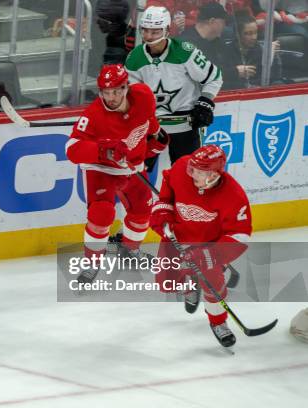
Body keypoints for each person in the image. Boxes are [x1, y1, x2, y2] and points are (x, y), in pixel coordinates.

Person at [65, 64, 169, 283]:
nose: (111, 97)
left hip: (133, 168)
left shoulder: (143, 96)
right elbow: (72, 149)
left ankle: (129, 252)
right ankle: (92, 263)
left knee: (142, 211)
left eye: (116, 91)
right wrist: (103, 150)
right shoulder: (93, 116)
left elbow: (147, 121)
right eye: (106, 92)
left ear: (126, 87)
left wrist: (157, 138)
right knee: (101, 214)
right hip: (101, 169)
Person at [150, 145, 252, 348]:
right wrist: (163, 212)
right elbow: (167, 190)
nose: (191, 173)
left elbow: (240, 235)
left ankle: (218, 322)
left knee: (212, 283)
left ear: (214, 174)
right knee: (166, 283)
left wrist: (211, 255)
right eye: (191, 168)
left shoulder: (234, 196)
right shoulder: (182, 167)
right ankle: (189, 284)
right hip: (177, 238)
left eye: (198, 171)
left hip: (208, 246)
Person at [125, 6, 222, 167]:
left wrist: (205, 101)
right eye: (145, 30)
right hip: (149, 130)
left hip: (185, 128)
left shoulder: (185, 52)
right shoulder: (134, 57)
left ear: (167, 30)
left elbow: (214, 77)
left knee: (186, 178)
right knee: (135, 177)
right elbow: (129, 95)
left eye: (155, 31)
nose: (149, 36)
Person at [222, 11, 283, 89]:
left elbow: (275, 78)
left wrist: (273, 56)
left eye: (255, 32)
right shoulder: (226, 52)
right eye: (248, 33)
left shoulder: (261, 49)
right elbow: (224, 82)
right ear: (238, 35)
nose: (254, 37)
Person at [178, 2, 230, 68]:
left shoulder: (217, 43)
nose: (225, 26)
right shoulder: (186, 43)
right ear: (212, 21)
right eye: (224, 22)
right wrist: (234, 72)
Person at [96, 0, 130, 64]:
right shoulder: (114, 36)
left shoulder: (117, 48)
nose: (97, 22)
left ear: (111, 22)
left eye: (101, 18)